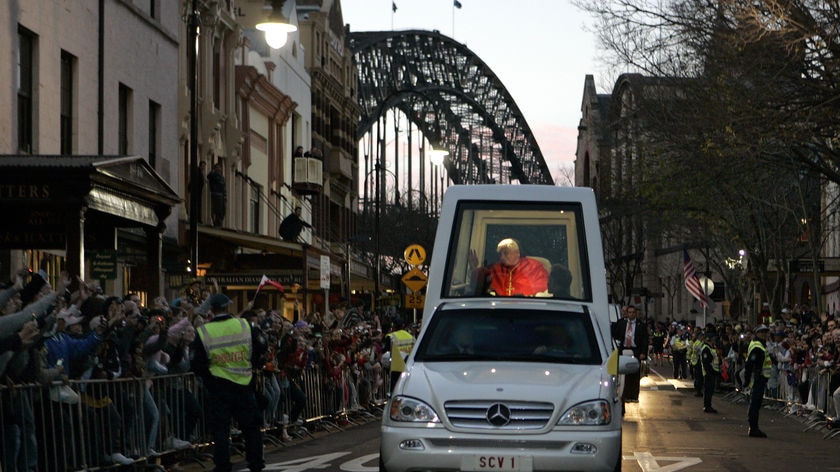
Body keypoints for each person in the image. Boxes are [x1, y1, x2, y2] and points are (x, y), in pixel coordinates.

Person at [192, 293, 266, 472]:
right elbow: (260, 348)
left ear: (212, 310)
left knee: (221, 431)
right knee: (251, 428)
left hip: (219, 388)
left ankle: (223, 465)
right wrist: (252, 367)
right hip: (244, 385)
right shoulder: (244, 325)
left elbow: (198, 364)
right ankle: (255, 462)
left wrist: (211, 383)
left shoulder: (204, 332)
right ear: (228, 307)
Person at [469, 238, 549, 296]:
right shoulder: (495, 268)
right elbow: (480, 286)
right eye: (500, 254)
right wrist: (474, 269)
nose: (502, 257)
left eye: (506, 253)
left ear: (517, 253)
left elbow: (542, 289)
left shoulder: (534, 267)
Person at [612, 305, 648, 402]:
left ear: (636, 314)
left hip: (635, 350)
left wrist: (643, 352)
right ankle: (624, 395)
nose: (631, 314)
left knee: (635, 374)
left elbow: (645, 340)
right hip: (623, 350)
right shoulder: (621, 323)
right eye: (629, 312)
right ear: (627, 313)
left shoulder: (641, 325)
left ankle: (634, 396)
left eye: (633, 312)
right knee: (623, 374)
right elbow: (615, 334)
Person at [744, 325, 771, 437]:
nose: (764, 334)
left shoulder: (759, 344)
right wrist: (747, 380)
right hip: (758, 378)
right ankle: (753, 428)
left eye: (766, 332)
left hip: (759, 378)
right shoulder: (757, 346)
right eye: (762, 332)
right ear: (756, 333)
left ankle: (753, 427)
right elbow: (750, 364)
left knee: (755, 403)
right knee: (755, 403)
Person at [383, 319, 415, 392]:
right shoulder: (411, 337)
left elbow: (385, 353)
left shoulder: (391, 337)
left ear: (393, 327)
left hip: (395, 369)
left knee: (395, 390)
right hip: (409, 367)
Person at [699, 333, 719, 413]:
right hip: (709, 373)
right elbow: (706, 363)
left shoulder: (710, 347)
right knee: (708, 390)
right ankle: (707, 406)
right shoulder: (706, 349)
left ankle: (708, 405)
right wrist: (712, 372)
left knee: (710, 390)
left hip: (712, 372)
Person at [207, 162, 226, 227]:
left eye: (220, 167)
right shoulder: (213, 175)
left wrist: (225, 196)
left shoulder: (222, 177)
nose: (219, 169)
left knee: (223, 211)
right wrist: (212, 171)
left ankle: (218, 223)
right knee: (218, 210)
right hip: (216, 194)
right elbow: (208, 176)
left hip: (221, 195)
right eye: (218, 167)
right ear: (215, 168)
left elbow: (224, 187)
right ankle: (217, 224)